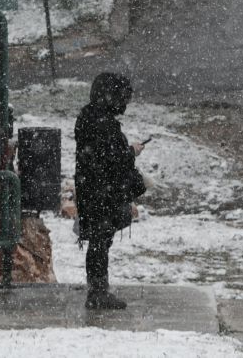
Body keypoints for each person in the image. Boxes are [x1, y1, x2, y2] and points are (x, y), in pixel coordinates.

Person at [73, 71, 146, 311]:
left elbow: (100, 155)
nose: (124, 103)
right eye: (121, 97)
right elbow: (110, 158)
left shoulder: (90, 117)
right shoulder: (102, 123)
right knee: (100, 241)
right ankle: (98, 292)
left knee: (99, 239)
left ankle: (97, 290)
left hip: (92, 189)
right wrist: (131, 152)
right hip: (100, 192)